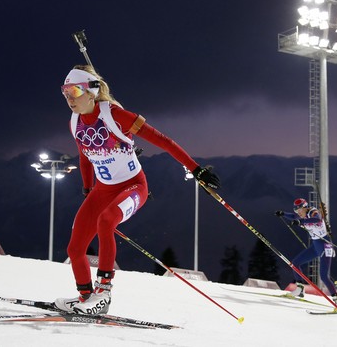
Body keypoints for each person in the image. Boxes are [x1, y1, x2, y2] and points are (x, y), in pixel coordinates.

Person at [53, 65, 221, 315]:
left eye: (75, 91)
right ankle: (86, 296)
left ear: (92, 91)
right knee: (75, 249)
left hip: (133, 187)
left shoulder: (116, 115)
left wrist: (196, 170)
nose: (69, 98)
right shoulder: (75, 122)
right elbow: (84, 155)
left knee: (106, 221)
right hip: (102, 189)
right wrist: (88, 188)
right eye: (65, 92)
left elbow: (164, 141)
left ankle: (103, 293)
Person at [275, 198, 337, 309]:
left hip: (324, 246)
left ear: (305, 207)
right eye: (296, 210)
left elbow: (317, 219)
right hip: (316, 246)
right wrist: (283, 214)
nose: (298, 213)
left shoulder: (313, 211)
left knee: (324, 276)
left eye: (300, 210)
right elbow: (293, 217)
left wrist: (300, 222)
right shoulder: (301, 215)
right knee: (295, 263)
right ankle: (300, 289)